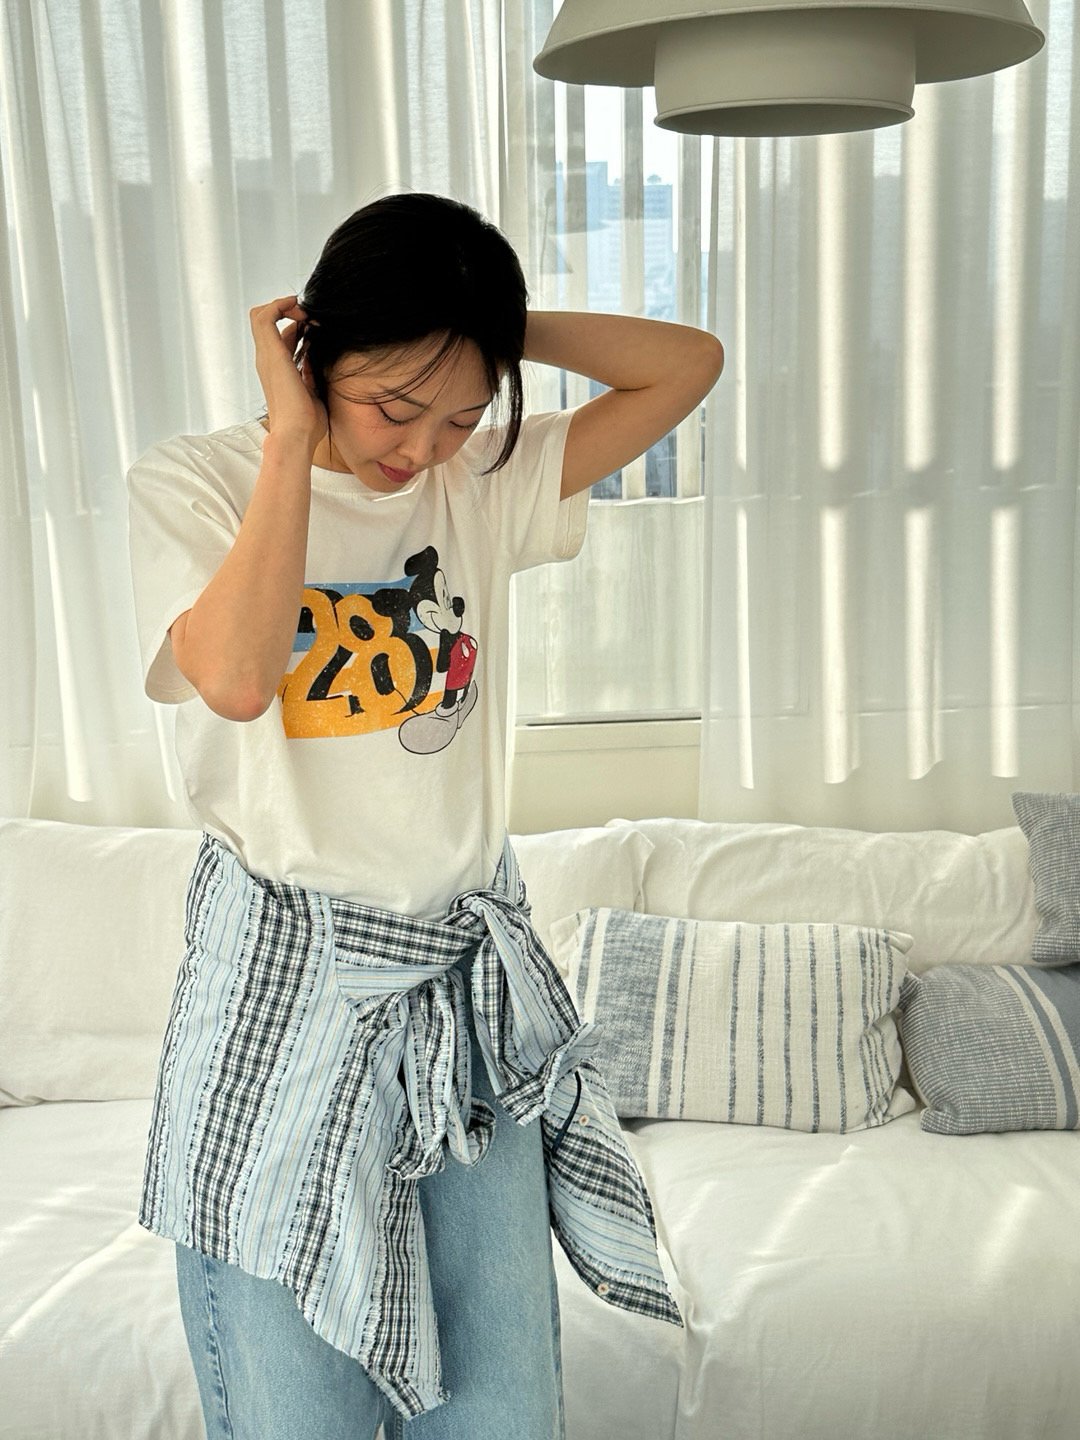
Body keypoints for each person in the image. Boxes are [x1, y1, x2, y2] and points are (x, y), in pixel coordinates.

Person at [127, 191, 724, 1440]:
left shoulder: (482, 484)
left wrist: (480, 328)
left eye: (461, 413)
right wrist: (294, 441)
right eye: (394, 406)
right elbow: (235, 678)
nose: (424, 447)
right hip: (284, 1000)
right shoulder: (197, 482)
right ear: (315, 350)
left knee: (503, 1415)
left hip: (462, 1007)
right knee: (298, 1418)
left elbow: (687, 365)